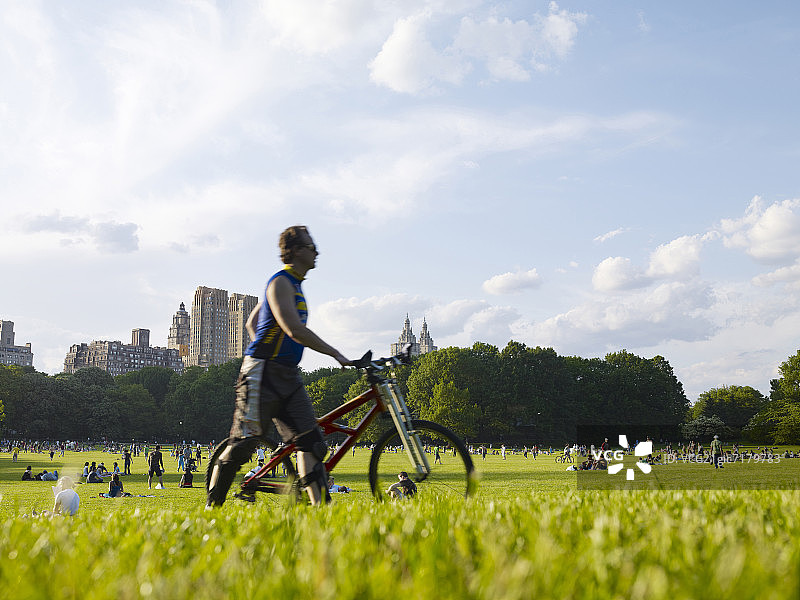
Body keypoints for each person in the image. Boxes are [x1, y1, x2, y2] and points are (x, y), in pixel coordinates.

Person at [207, 226, 351, 508]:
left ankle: (322, 509)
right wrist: (335, 353)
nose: (316, 252)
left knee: (312, 442)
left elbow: (252, 322)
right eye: (311, 247)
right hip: (262, 376)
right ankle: (212, 507)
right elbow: (294, 329)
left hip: (287, 375)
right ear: (295, 251)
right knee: (244, 443)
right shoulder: (280, 283)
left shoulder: (294, 285)